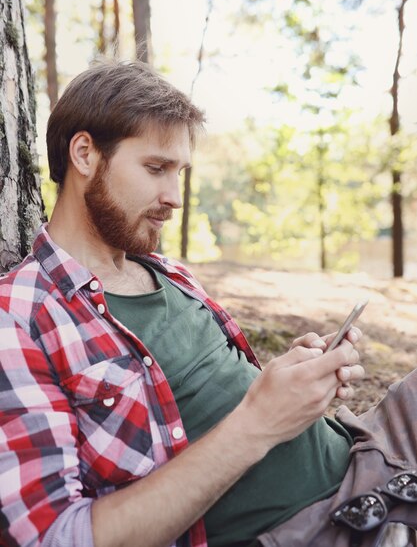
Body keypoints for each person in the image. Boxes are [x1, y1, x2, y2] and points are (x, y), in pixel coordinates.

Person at [0, 60, 414, 547]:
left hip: (365, 451)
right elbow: (57, 536)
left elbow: (222, 394)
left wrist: (291, 380)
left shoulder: (169, 274)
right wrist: (258, 423)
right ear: (85, 153)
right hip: (314, 527)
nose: (174, 197)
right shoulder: (19, 317)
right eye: (155, 168)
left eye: (180, 172)